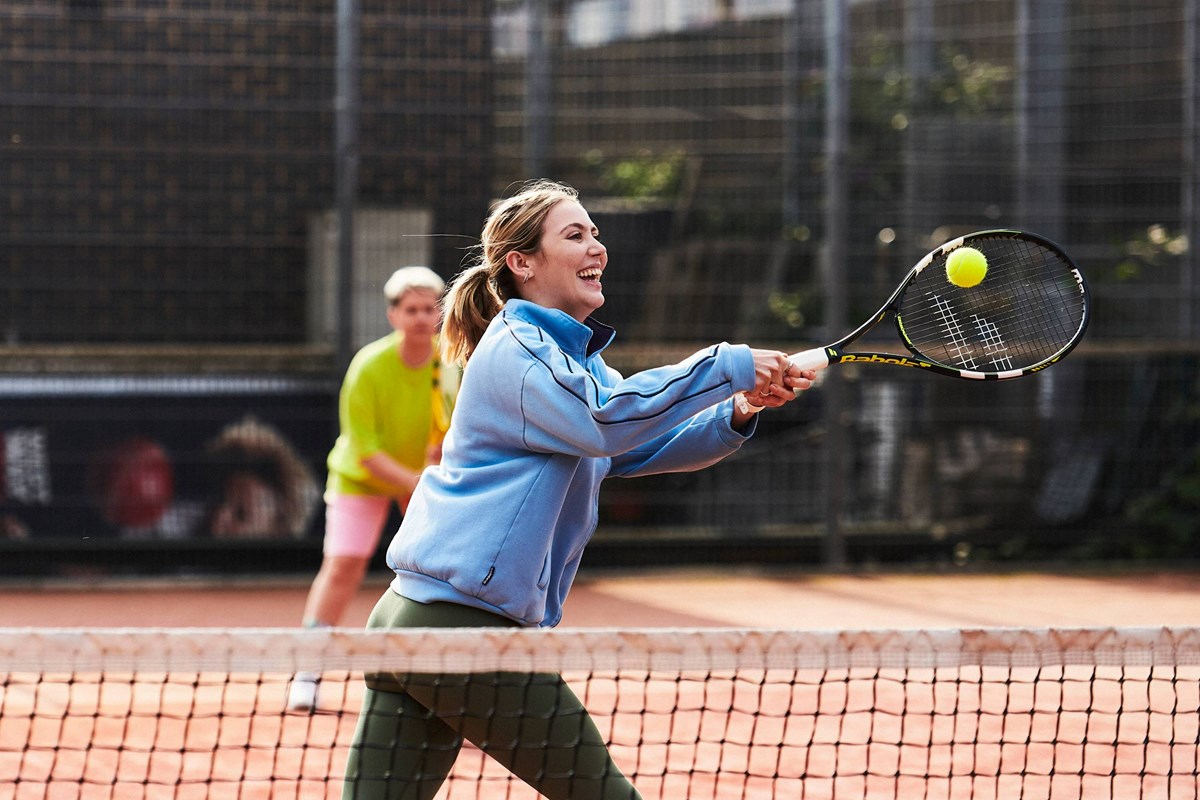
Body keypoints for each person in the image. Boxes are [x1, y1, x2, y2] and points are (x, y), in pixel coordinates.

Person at [341, 179, 816, 799]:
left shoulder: (578, 364)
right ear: (522, 262)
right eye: (575, 235)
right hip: (465, 629)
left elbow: (634, 443)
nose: (597, 247)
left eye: (595, 234)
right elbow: (605, 420)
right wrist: (725, 363)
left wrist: (741, 407)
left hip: (415, 622)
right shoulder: (521, 349)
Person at [287, 265, 457, 711]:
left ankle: (444, 678)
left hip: (423, 478)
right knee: (343, 565)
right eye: (411, 309)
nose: (421, 317)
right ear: (393, 315)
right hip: (360, 480)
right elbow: (364, 450)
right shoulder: (368, 367)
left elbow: (459, 428)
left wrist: (433, 469)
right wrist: (413, 480)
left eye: (429, 308)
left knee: (441, 573)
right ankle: (308, 669)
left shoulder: (453, 362)